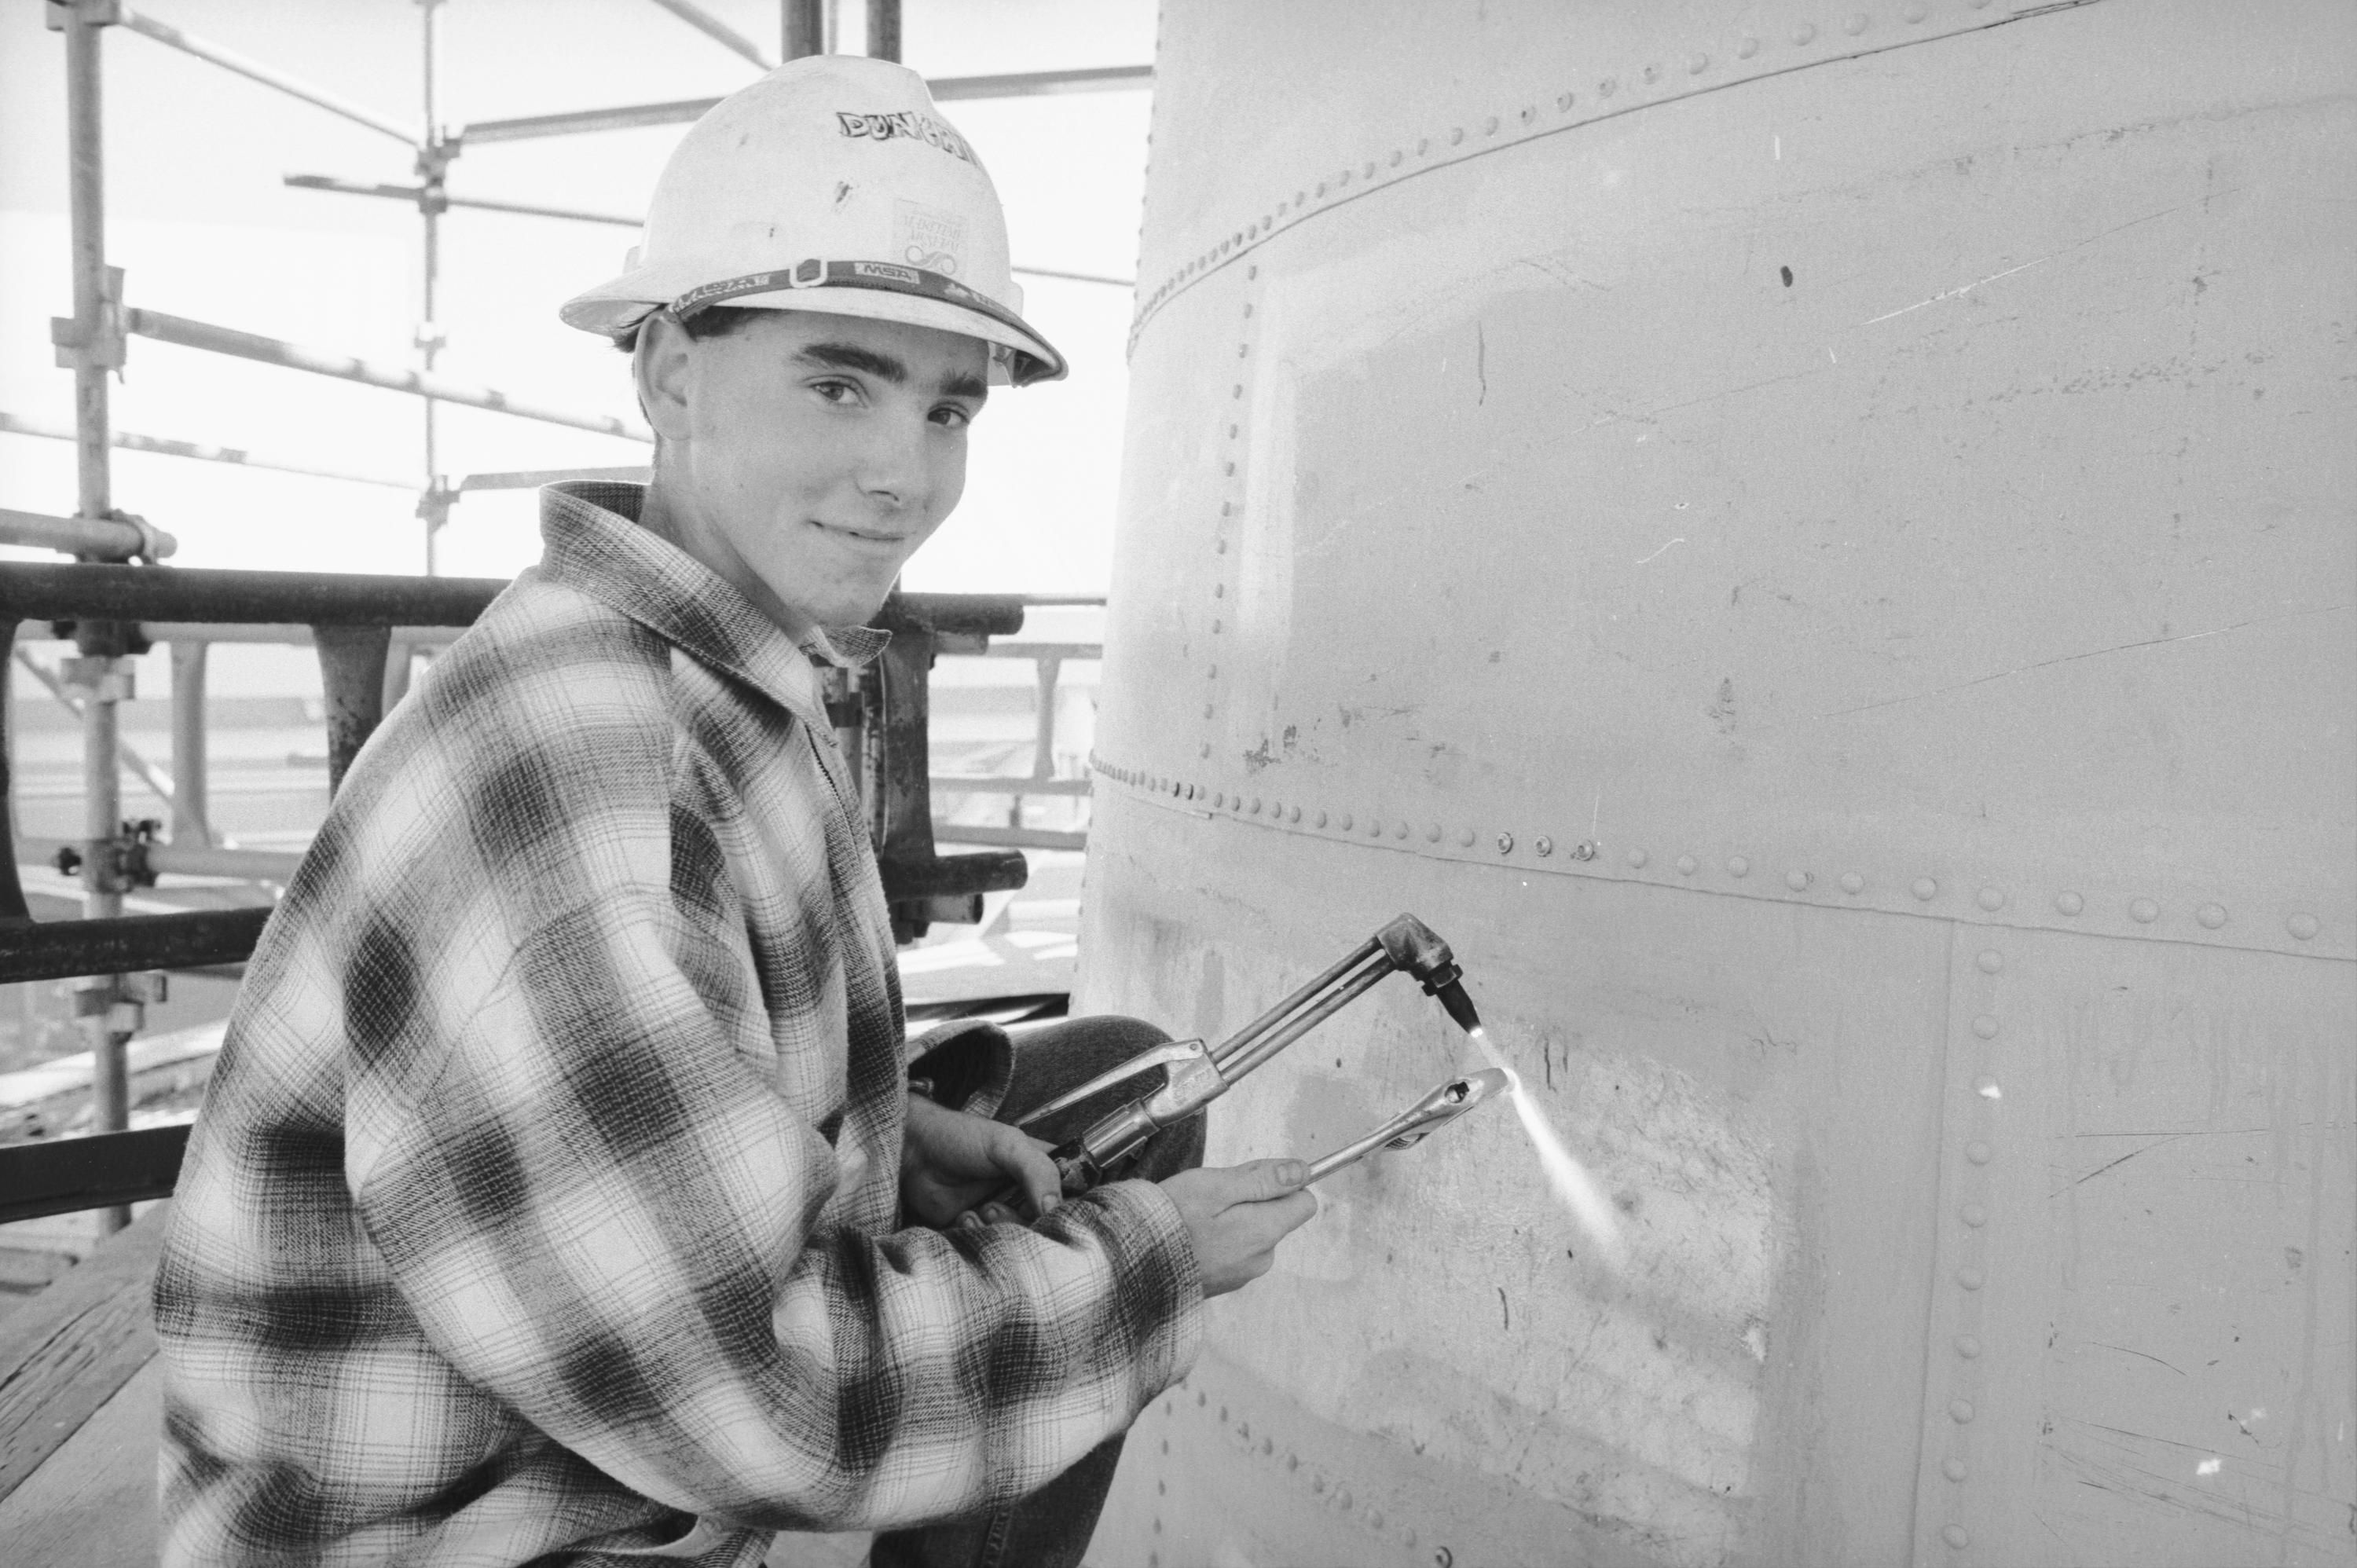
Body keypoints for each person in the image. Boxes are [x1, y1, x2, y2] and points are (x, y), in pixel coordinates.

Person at [152, 55, 1318, 1568]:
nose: (903, 475)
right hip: (467, 1530)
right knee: (1115, 1224)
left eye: (948, 408)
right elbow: (758, 1401)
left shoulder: (714, 666)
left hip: (567, 1420)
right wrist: (1145, 1279)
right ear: (668, 372)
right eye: (839, 380)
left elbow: (694, 1064)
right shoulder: (588, 787)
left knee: (1116, 1085)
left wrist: (908, 1138)